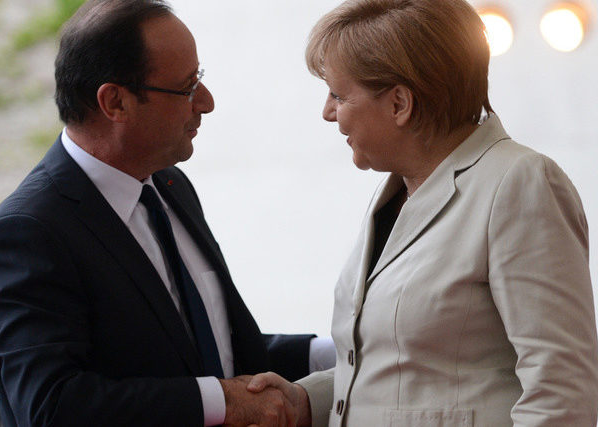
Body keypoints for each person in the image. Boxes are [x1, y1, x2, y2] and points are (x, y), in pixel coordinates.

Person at [0, 1, 334, 426]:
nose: (207, 102)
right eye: (187, 87)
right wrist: (224, 401)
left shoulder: (168, 185)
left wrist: (339, 352)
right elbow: (51, 406)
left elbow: (207, 349)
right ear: (115, 102)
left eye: (200, 78)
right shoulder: (28, 233)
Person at [247, 0, 598, 425]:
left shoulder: (519, 181)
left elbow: (562, 391)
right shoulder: (396, 194)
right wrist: (307, 399)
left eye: (338, 94)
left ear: (399, 103)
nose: (328, 112)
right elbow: (402, 369)